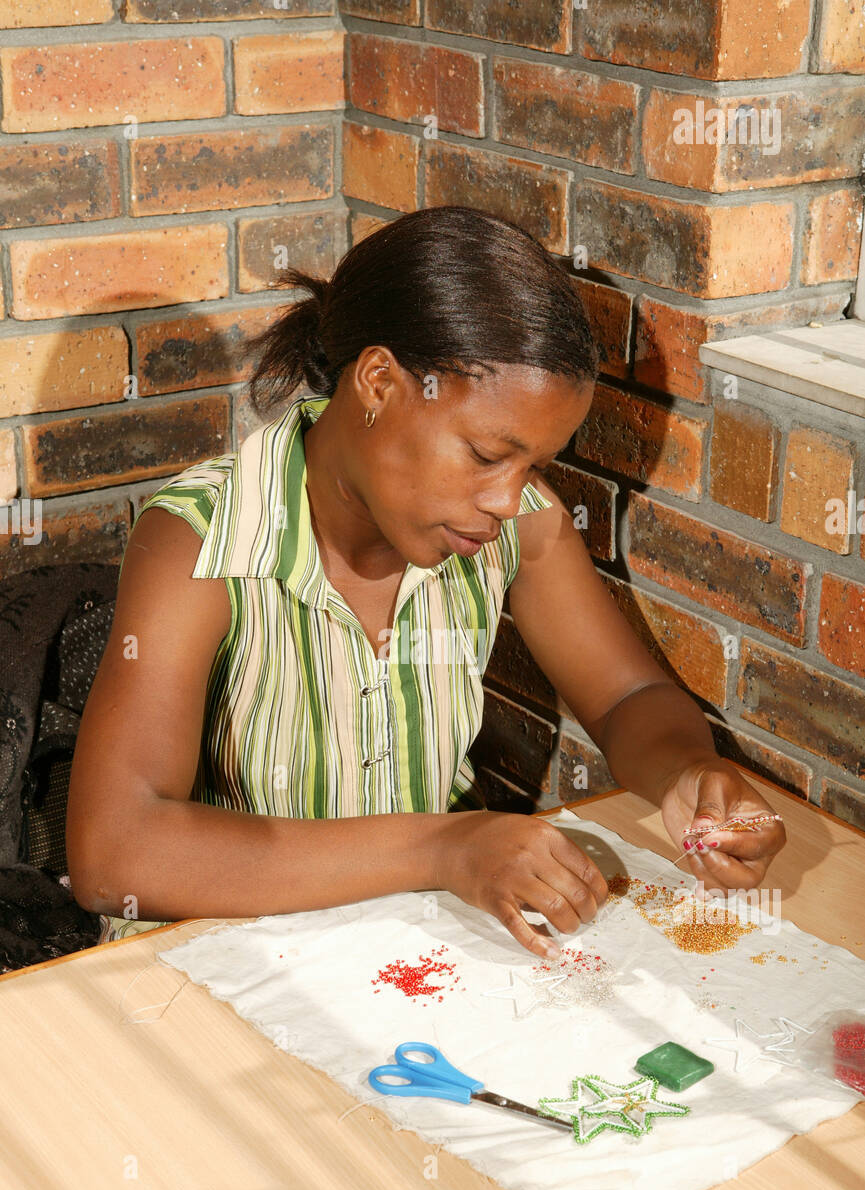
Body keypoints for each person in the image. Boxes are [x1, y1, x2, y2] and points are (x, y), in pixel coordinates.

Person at [66, 204, 785, 957]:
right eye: (483, 454)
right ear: (378, 382)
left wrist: (687, 773)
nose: (508, 499)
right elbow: (116, 853)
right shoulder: (200, 540)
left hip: (415, 947)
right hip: (223, 959)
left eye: (532, 466)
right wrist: (442, 848)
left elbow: (627, 697)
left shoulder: (517, 527)